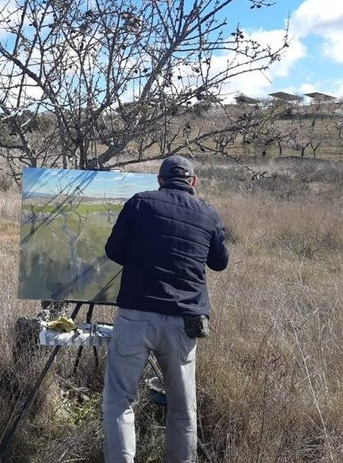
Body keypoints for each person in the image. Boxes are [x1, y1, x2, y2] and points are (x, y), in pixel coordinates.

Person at [102, 155, 229, 463]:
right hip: (185, 322)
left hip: (136, 316)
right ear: (193, 182)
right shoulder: (208, 213)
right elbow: (219, 262)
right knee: (183, 409)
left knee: (119, 400)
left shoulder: (139, 203)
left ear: (159, 180)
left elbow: (113, 251)